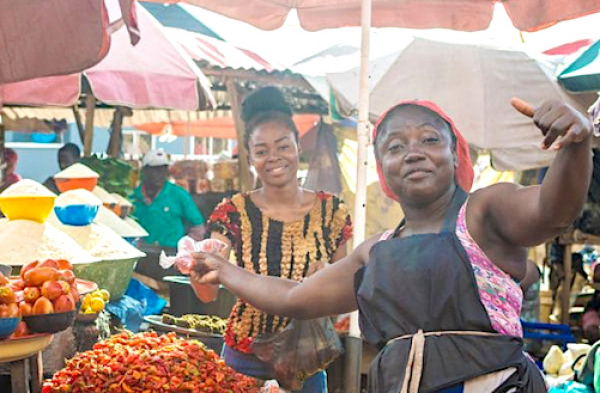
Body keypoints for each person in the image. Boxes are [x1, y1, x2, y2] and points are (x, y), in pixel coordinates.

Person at [193, 97, 593, 392]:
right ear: (382, 169)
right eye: (395, 147)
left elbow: (553, 210)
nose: (413, 153)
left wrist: (574, 146)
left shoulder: (484, 210)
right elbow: (295, 298)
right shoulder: (376, 251)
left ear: (456, 156)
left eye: (430, 140)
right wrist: (223, 270)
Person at [188, 87, 352, 392]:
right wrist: (197, 270)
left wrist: (325, 281)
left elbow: (345, 294)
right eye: (262, 151)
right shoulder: (232, 211)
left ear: (297, 148)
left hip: (305, 358)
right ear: (250, 157)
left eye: (283, 146)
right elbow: (208, 294)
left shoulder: (332, 212)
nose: (274, 158)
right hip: (243, 357)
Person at [132, 149, 205, 248]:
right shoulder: (134, 196)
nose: (158, 174)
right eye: (154, 170)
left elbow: (198, 226)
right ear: (144, 171)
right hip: (141, 253)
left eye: (162, 170)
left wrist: (185, 248)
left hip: (172, 254)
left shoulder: (179, 194)